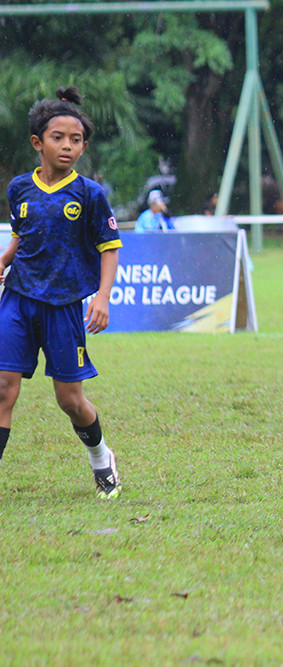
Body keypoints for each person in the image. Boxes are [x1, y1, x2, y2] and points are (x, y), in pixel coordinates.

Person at [0, 86, 123, 497]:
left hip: (64, 305)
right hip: (17, 298)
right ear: (38, 143)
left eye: (76, 140)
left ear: (83, 147)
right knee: (3, 386)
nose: (67, 146)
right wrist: (4, 260)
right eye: (58, 138)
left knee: (69, 399)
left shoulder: (89, 194)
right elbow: (22, 234)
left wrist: (102, 298)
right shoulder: (19, 188)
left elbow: (109, 247)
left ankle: (101, 456)